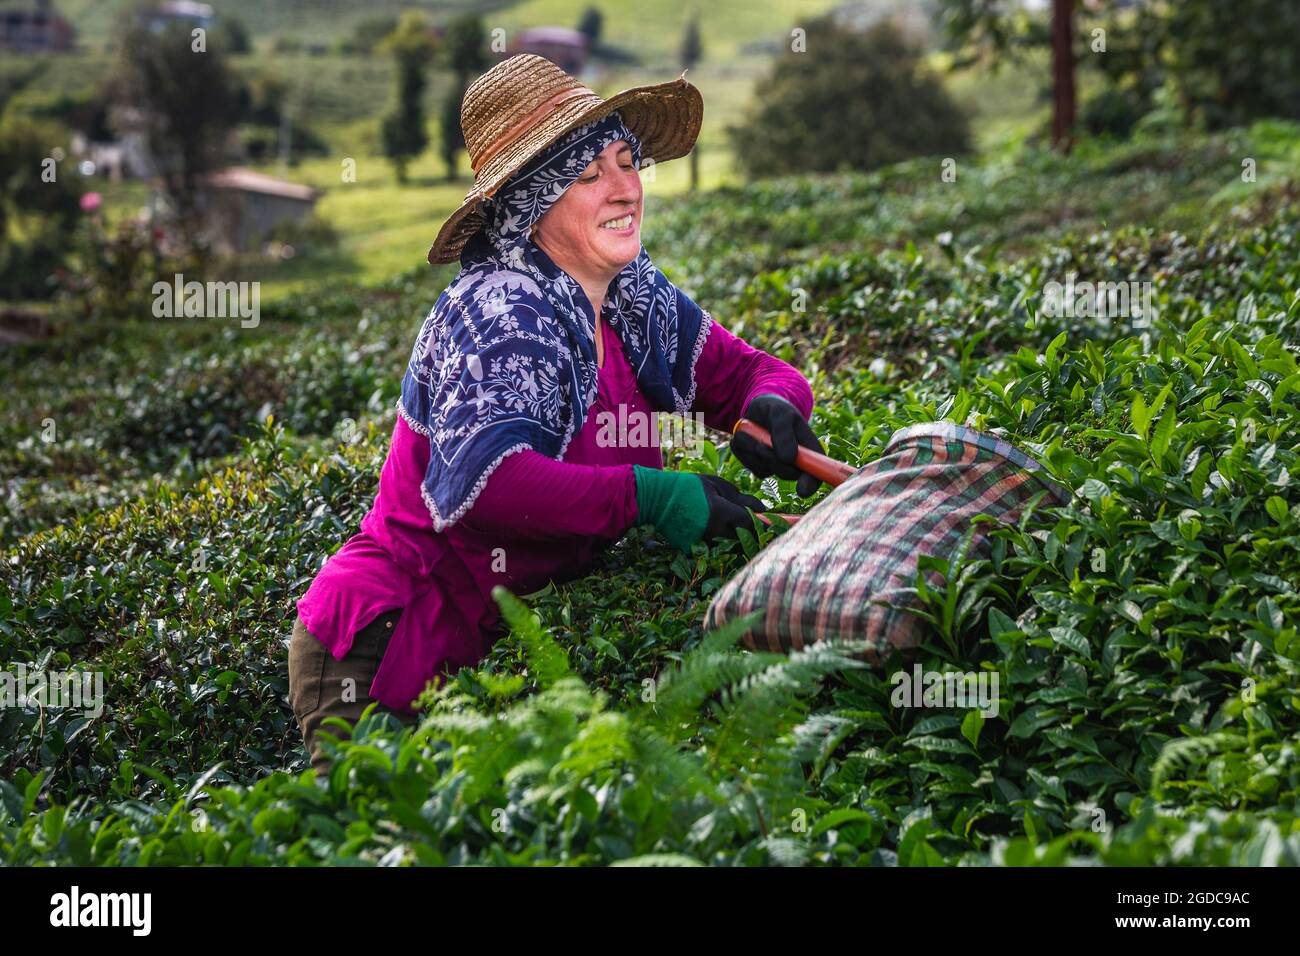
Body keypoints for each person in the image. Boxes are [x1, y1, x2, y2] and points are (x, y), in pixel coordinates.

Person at [288, 54, 826, 775]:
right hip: (388, 643)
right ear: (533, 203)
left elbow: (749, 373)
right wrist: (651, 495)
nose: (624, 188)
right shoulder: (501, 312)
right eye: (586, 175)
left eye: (626, 161)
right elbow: (492, 486)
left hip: (492, 644)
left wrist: (774, 405)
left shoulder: (632, 295)